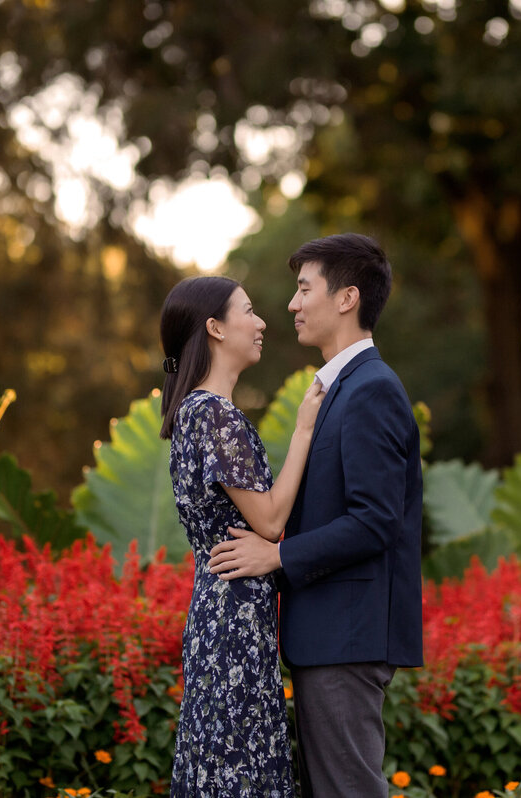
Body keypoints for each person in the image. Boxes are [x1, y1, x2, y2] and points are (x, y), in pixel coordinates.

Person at [208, 233, 424, 798]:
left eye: (304, 289)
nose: (291, 304)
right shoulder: (339, 390)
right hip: (330, 635)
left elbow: (376, 521)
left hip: (347, 637)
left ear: (347, 298)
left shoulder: (371, 389)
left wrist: (276, 554)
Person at [159, 275, 324, 798]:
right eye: (248, 312)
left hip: (218, 609)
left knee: (220, 764)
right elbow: (271, 521)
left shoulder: (192, 413)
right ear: (214, 328)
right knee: (241, 768)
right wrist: (302, 431)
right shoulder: (213, 415)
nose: (261, 323)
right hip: (233, 617)